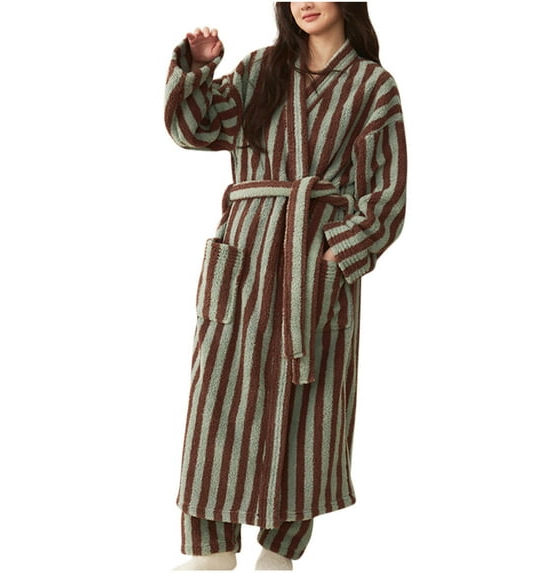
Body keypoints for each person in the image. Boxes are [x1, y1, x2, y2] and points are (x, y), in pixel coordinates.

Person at [164, 2, 407, 570]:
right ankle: (212, 553)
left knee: (308, 400)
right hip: (244, 253)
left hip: (311, 258)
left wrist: (335, 255)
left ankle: (279, 553)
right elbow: (193, 129)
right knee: (217, 394)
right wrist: (196, 68)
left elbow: (387, 192)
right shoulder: (261, 70)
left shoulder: (372, 86)